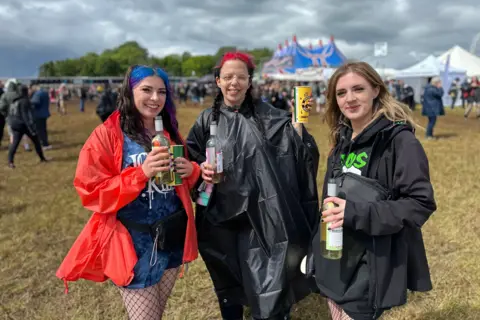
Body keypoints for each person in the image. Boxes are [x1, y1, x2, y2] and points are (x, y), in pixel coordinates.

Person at [56, 65, 200, 319]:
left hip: (170, 239)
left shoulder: (167, 132)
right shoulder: (107, 135)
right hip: (133, 246)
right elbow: (92, 192)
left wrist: (191, 170)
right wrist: (140, 173)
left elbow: (179, 186)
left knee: (156, 314)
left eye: (161, 92)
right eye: (147, 90)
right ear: (129, 92)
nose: (155, 98)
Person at [187, 52, 320, 320]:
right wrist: (201, 170)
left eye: (240, 77)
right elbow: (191, 162)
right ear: (218, 81)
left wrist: (298, 130)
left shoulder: (273, 117)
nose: (233, 82)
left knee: (271, 283)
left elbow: (298, 159)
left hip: (265, 217)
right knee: (229, 280)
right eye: (227, 77)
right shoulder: (206, 121)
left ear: (250, 82)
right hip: (220, 219)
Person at [308, 62, 436, 319]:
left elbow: (420, 204)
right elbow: (328, 201)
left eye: (358, 89)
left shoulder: (400, 141)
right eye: (341, 93)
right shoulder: (341, 140)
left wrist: (356, 213)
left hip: (372, 263)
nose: (350, 98)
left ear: (376, 90)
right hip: (334, 257)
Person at [4, 85, 48, 168]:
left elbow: (10, 114)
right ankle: (42, 158)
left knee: (15, 143)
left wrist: (11, 124)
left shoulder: (14, 101)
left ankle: (10, 162)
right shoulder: (24, 101)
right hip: (23, 125)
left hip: (14, 124)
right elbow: (25, 116)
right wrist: (31, 129)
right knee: (36, 141)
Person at [30, 84, 52, 150]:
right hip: (44, 114)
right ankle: (45, 143)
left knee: (39, 130)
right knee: (43, 130)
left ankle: (42, 144)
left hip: (38, 114)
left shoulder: (37, 94)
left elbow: (35, 103)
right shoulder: (45, 93)